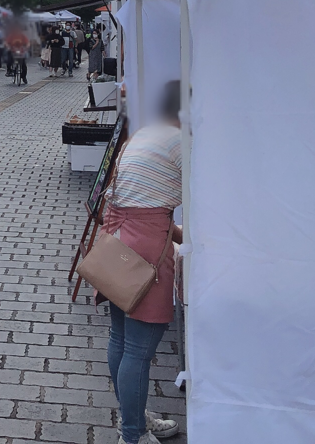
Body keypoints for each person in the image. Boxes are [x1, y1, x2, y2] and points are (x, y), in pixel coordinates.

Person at [103, 81, 183, 443]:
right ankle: (131, 435)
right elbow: (212, 193)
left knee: (120, 337)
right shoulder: (183, 143)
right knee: (138, 347)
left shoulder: (145, 133)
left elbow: (140, 201)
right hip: (146, 247)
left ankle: (132, 419)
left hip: (117, 241)